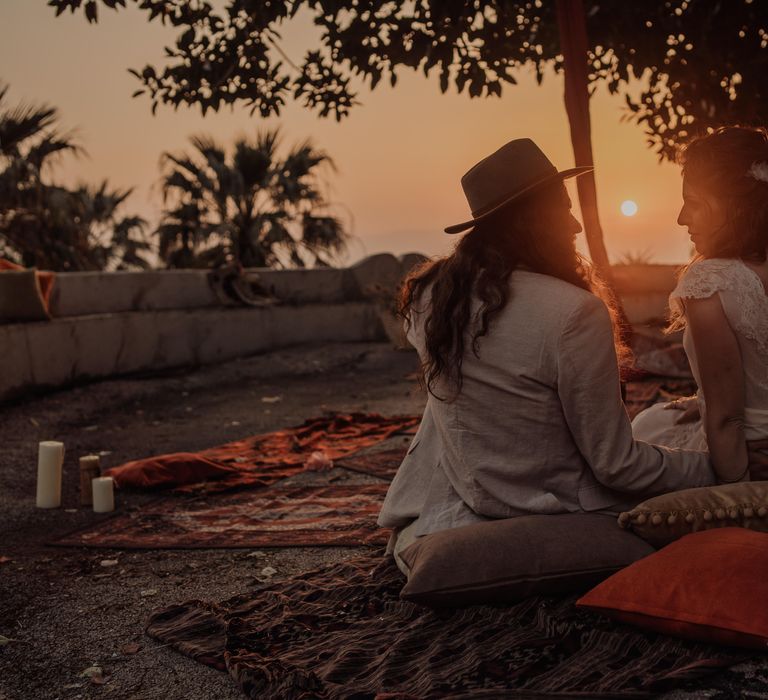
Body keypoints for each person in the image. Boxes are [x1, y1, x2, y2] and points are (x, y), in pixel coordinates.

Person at [377, 138, 717, 571]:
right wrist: (714, 469)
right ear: (533, 220)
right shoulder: (573, 311)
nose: (575, 225)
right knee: (676, 441)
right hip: (549, 503)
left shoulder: (429, 295)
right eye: (563, 208)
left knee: (662, 422)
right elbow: (617, 468)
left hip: (470, 489)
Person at [632, 126, 768, 484]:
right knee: (661, 417)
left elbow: (727, 420)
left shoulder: (711, 281)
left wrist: (740, 499)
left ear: (733, 203)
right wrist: (703, 399)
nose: (681, 217)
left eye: (693, 202)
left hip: (746, 454)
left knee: (645, 428)